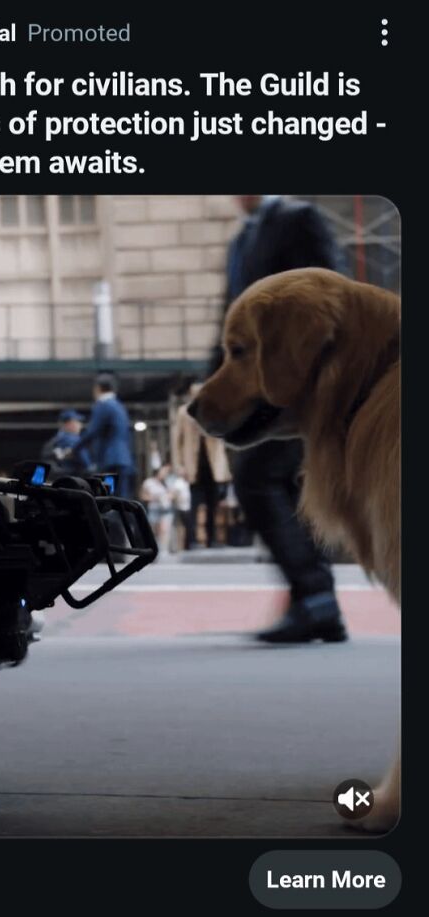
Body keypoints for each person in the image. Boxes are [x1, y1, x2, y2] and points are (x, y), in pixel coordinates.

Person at [212, 194, 348, 642]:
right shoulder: (241, 242)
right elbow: (230, 318)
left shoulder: (297, 220)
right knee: (285, 486)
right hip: (255, 384)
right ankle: (316, 602)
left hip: (296, 381)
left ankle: (313, 597)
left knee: (257, 476)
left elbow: (331, 292)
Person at [173, 381, 231, 548]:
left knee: (213, 505)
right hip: (193, 467)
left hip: (214, 467)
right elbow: (177, 441)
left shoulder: (215, 410)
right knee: (193, 505)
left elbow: (224, 435)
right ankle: (191, 540)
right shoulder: (184, 412)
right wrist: (180, 466)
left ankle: (212, 540)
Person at [72, 374, 135, 498]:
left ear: (98, 388)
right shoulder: (119, 406)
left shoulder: (103, 405)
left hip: (110, 459)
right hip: (124, 458)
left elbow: (92, 431)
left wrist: (74, 448)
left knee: (109, 499)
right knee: (123, 499)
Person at [41, 409, 91, 475]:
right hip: (75, 477)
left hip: (60, 478)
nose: (80, 425)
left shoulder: (55, 440)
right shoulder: (73, 439)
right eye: (78, 421)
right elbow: (86, 463)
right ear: (70, 423)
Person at [140, 464, 174, 555]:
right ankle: (154, 548)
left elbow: (173, 495)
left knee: (164, 529)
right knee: (154, 530)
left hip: (165, 508)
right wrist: (155, 498)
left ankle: (164, 550)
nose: (165, 474)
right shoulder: (149, 482)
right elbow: (143, 496)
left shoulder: (168, 482)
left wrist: (168, 497)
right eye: (163, 472)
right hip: (154, 508)